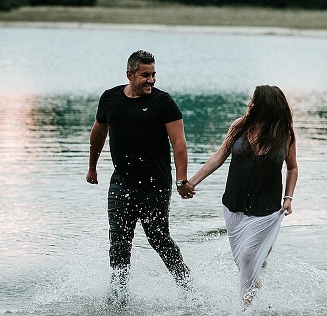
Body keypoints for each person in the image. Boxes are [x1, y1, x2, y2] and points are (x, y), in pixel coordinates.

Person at [86, 50, 194, 302]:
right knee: (119, 241)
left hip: (155, 186)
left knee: (158, 239)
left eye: (153, 74)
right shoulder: (110, 98)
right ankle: (118, 295)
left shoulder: (163, 103)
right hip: (121, 184)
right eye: (145, 75)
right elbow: (98, 133)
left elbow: (179, 143)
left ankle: (187, 286)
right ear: (130, 75)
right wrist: (92, 167)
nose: (151, 80)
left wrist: (181, 180)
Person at [189, 85, 298, 310]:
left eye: (253, 100)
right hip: (234, 205)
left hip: (266, 210)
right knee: (242, 260)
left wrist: (288, 197)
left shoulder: (285, 135)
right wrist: (192, 182)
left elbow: (292, 167)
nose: (249, 104)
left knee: (248, 255)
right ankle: (255, 286)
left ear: (265, 106)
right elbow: (219, 156)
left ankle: (245, 308)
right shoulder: (239, 127)